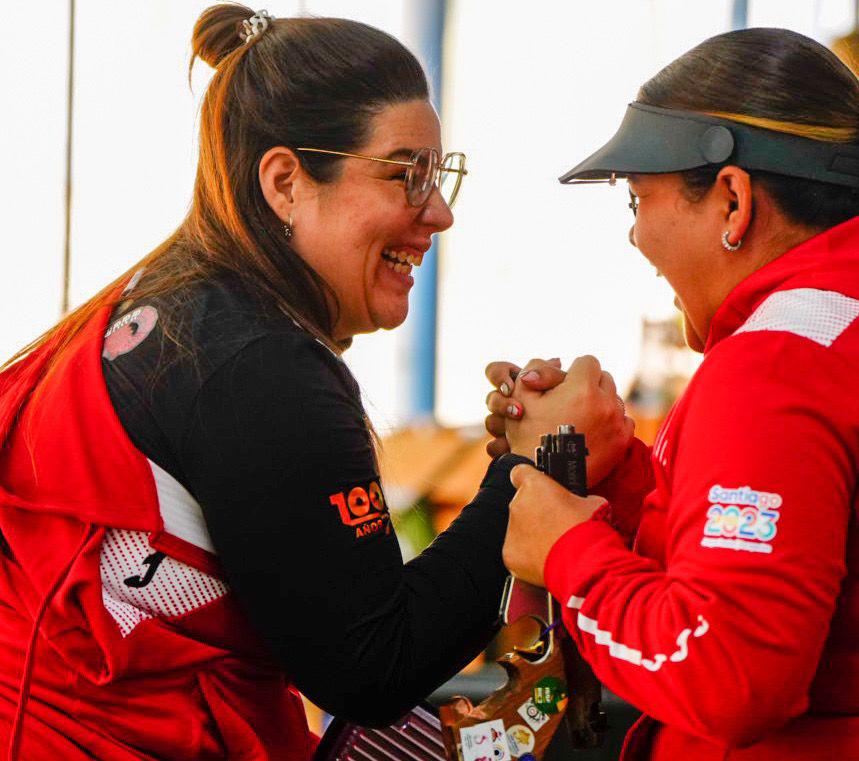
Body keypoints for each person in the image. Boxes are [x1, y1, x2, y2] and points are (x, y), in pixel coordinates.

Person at [0, 6, 625, 760]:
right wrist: (535, 468)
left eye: (439, 174)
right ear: (285, 183)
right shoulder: (257, 364)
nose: (439, 212)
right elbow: (371, 666)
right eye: (406, 174)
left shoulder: (165, 302)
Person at [485, 28, 859, 760]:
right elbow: (824, 554)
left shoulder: (781, 363)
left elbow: (726, 677)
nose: (634, 237)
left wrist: (567, 549)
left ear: (733, 200)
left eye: (636, 201)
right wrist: (617, 479)